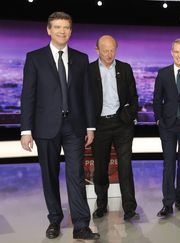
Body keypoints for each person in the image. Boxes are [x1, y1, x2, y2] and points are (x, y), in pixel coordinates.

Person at [20, 12, 100, 240]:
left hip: (74, 127)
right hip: (45, 127)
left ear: (71, 31)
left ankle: (81, 225)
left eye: (66, 27)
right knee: (50, 175)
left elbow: (87, 95)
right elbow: (28, 96)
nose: (62, 31)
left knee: (76, 174)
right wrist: (26, 130)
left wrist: (90, 126)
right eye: (57, 27)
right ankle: (54, 220)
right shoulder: (34, 58)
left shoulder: (81, 58)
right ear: (48, 30)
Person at [89, 35, 139, 221]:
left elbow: (134, 97)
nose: (109, 54)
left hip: (122, 125)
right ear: (97, 50)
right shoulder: (89, 70)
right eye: (105, 50)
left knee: (125, 167)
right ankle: (101, 204)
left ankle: (129, 208)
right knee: (100, 168)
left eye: (112, 50)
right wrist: (89, 127)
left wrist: (129, 115)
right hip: (100, 125)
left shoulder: (125, 68)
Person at [153, 38, 180, 218]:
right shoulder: (163, 74)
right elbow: (157, 99)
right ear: (172, 53)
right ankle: (168, 203)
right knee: (169, 164)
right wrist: (158, 120)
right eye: (177, 52)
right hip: (168, 127)